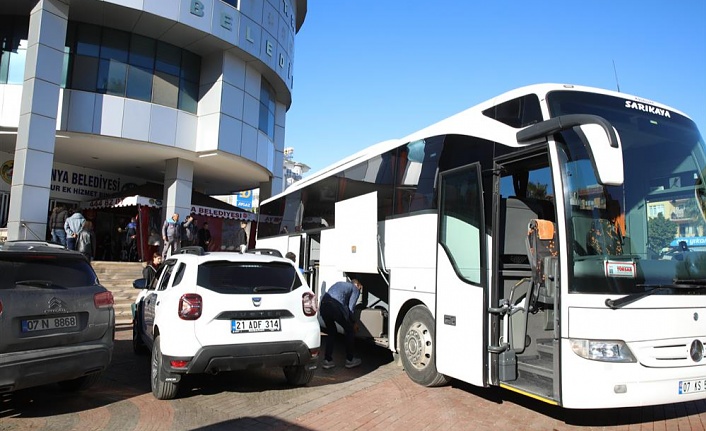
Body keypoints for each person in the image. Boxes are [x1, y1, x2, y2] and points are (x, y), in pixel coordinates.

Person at [319, 279, 363, 369]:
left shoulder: (341, 284)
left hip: (323, 306)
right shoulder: (354, 289)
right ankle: (350, 360)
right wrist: (354, 322)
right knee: (350, 330)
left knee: (332, 331)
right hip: (334, 307)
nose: (360, 291)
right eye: (360, 288)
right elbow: (351, 308)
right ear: (357, 285)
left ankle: (327, 360)